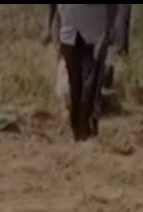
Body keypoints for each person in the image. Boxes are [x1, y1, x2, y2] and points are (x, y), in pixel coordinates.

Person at [44, 4, 117, 141]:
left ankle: (86, 126)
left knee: (90, 81)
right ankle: (77, 129)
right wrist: (52, 30)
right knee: (75, 83)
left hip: (95, 34)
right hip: (69, 33)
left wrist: (110, 26)